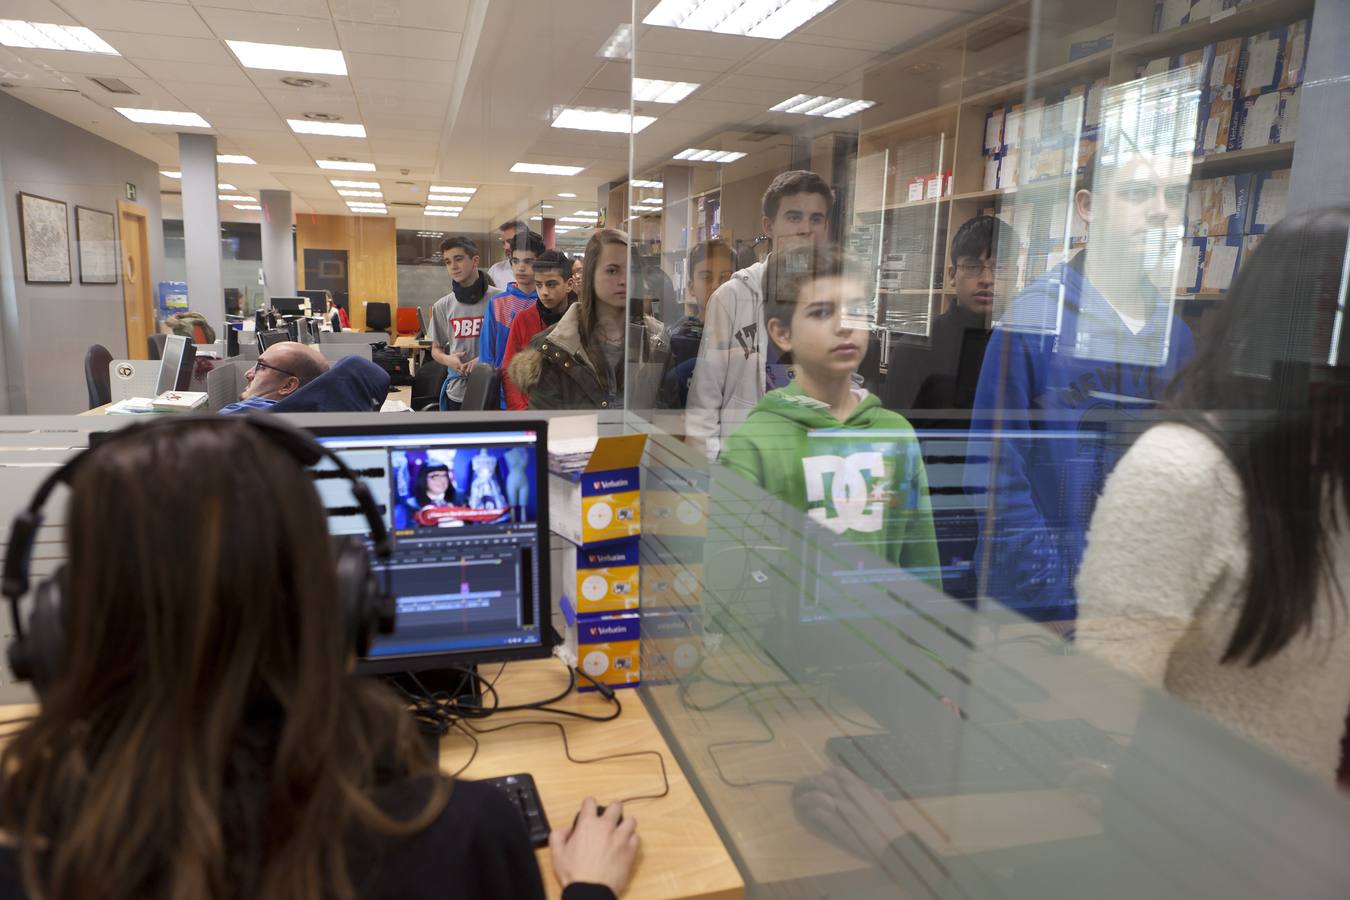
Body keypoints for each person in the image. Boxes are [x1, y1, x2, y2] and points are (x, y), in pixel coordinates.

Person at [0, 417, 639, 900]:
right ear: (345, 602)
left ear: (66, 623)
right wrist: (588, 888)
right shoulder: (456, 836)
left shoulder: (26, 860)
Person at [1075, 208, 1350, 781]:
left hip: (1306, 844)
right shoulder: (1183, 470)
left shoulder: (1330, 475)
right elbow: (1106, 702)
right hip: (1197, 838)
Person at [967, 148, 1196, 624]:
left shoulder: (1177, 338)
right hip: (1044, 609)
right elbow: (992, 474)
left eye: (1173, 195)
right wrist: (1057, 592)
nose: (1159, 209)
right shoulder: (1035, 318)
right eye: (1136, 193)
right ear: (1087, 206)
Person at [720, 244, 941, 586]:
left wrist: (924, 639)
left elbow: (921, 562)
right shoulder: (754, 443)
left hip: (882, 637)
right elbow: (730, 575)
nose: (844, 326)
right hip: (788, 638)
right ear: (782, 333)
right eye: (822, 312)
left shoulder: (895, 434)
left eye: (855, 310)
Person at [687, 170, 834, 458]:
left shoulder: (835, 301)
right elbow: (703, 407)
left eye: (816, 219)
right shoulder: (732, 298)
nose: (806, 229)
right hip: (747, 470)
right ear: (769, 225)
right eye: (794, 217)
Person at [507, 228, 672, 411]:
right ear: (591, 275)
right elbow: (549, 430)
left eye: (631, 271)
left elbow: (666, 418)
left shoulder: (656, 341)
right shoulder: (552, 347)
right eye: (612, 270)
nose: (624, 280)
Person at [884, 215, 1016, 416]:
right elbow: (895, 436)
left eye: (1000, 268)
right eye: (973, 267)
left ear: (1015, 275)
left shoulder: (1025, 346)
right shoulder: (915, 348)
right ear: (952, 275)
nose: (987, 279)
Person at [428, 236, 501, 411]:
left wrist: (482, 360)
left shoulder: (500, 299)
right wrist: (448, 359)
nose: (453, 266)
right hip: (457, 391)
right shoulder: (442, 306)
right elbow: (435, 350)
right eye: (447, 262)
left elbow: (508, 344)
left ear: (475, 260)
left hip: (495, 387)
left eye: (458, 259)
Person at [479, 231, 545, 407]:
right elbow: (487, 358)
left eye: (528, 261)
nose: (520, 268)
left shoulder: (547, 302)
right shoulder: (497, 304)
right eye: (515, 261)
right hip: (502, 397)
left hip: (541, 396)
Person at [503, 250, 574, 410]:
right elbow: (509, 374)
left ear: (569, 284)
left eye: (551, 284)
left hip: (574, 410)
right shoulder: (522, 320)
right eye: (539, 285)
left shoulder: (583, 320)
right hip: (532, 410)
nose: (544, 292)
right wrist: (522, 413)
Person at [223, 341, 329, 412]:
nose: (248, 374)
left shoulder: (241, 415)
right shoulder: (314, 415)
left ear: (288, 385)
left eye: (261, 366)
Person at [487, 219, 529, 290]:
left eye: (510, 241)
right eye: (503, 243)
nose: (505, 247)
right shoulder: (495, 271)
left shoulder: (537, 270)